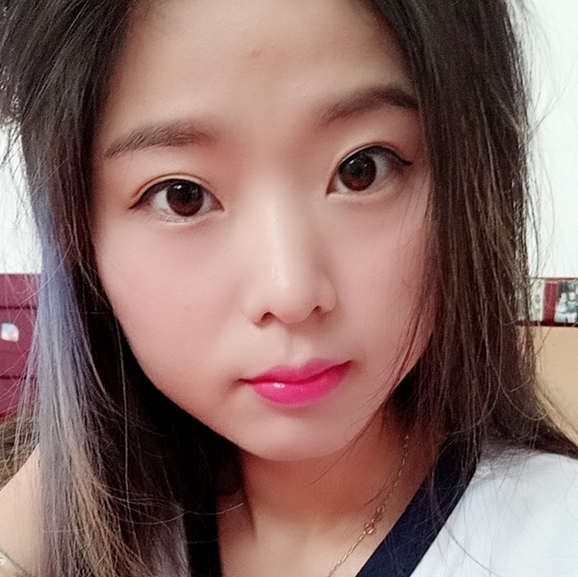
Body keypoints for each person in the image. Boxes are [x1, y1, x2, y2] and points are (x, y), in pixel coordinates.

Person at [0, 0, 577, 576]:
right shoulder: (90, 526)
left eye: (363, 169)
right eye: (183, 196)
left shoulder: (552, 538)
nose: (291, 294)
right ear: (78, 237)